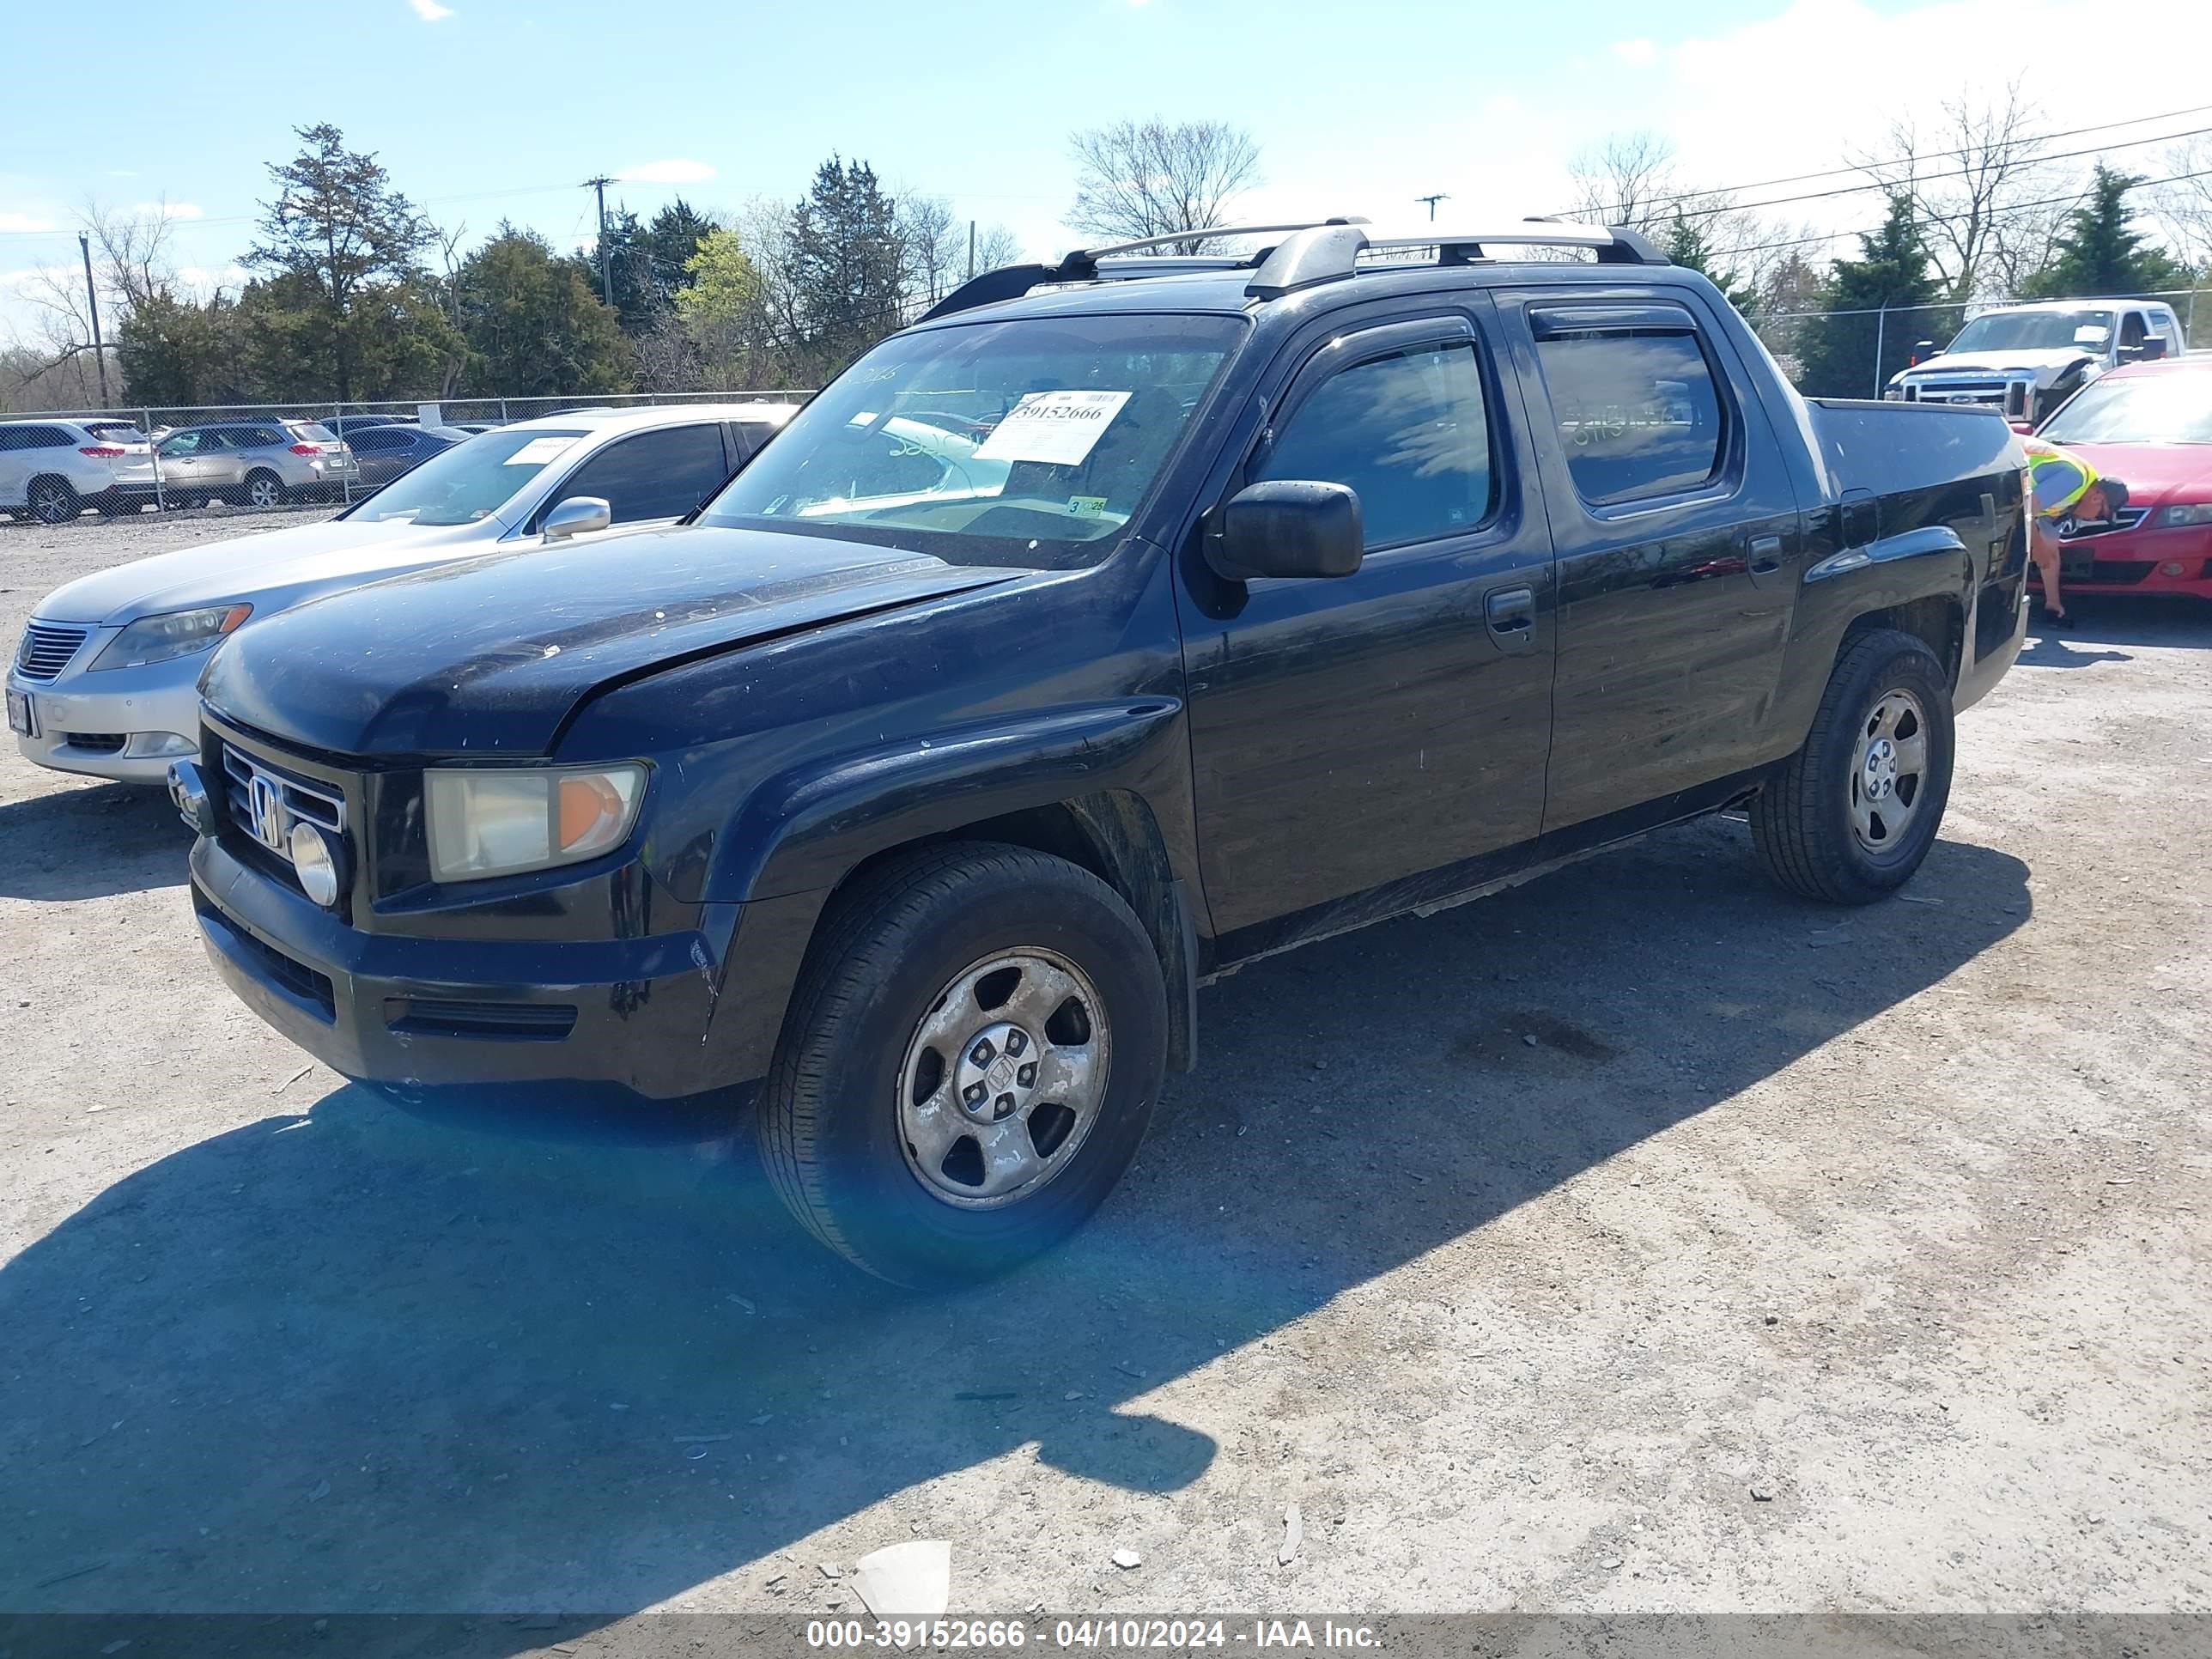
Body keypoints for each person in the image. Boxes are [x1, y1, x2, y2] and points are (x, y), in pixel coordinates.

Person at [2020, 434, 2129, 629]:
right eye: (2099, 515)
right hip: (1996, 462)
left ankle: (2051, 606)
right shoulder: (2074, 480)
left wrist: (2053, 604)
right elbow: (2026, 507)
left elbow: (2050, 551)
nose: (2093, 519)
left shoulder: (2076, 494)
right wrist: (2036, 546)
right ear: (2096, 498)